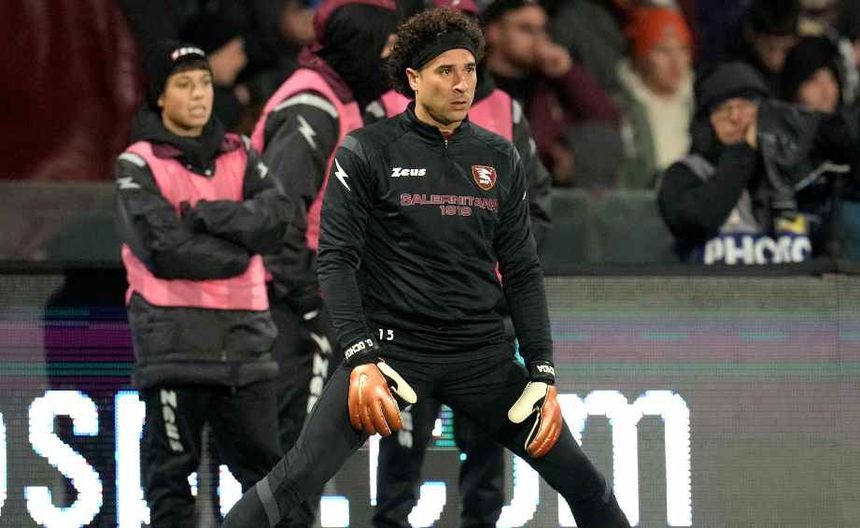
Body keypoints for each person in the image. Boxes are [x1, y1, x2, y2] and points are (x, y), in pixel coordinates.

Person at [222, 8, 630, 528]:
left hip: (482, 357)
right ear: (413, 78)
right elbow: (337, 258)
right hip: (391, 356)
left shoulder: (500, 157)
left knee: (585, 483)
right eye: (446, 71)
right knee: (293, 479)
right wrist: (361, 356)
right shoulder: (367, 149)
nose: (462, 84)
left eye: (470, 69)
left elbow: (523, 270)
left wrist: (542, 371)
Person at [364, 2, 551, 525]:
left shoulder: (506, 112)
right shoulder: (385, 113)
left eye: (466, 35)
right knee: (400, 455)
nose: (459, 75)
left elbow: (534, 208)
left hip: (485, 316)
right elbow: (365, 216)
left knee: (486, 453)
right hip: (410, 319)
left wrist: (495, 266)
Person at [114, 41, 294, 526]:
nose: (198, 95)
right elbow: (163, 249)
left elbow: (278, 220)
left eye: (204, 83)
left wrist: (207, 215)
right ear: (159, 96)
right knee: (170, 485)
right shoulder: (138, 163)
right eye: (184, 85)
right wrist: (241, 248)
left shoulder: (243, 151)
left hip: (246, 348)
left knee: (271, 488)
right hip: (175, 347)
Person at [249, 1, 400, 525]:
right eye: (387, 51)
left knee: (303, 455)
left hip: (310, 293)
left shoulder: (343, 99)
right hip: (289, 302)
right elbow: (277, 221)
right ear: (361, 48)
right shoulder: (313, 108)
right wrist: (312, 304)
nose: (393, 64)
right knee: (292, 452)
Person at [657, 61, 850, 264]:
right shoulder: (684, 174)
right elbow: (699, 219)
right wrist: (743, 152)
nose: (735, 117)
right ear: (706, 121)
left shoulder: (796, 173)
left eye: (745, 105)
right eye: (722, 109)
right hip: (711, 284)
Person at [482, 0, 620, 185]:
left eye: (543, 30)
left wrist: (568, 72)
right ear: (494, 32)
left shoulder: (552, 86)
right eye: (527, 29)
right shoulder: (471, 84)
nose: (539, 40)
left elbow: (607, 121)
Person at [616, 7, 694, 189]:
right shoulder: (620, 108)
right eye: (663, 51)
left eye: (683, 50)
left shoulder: (702, 103)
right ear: (641, 57)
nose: (675, 62)